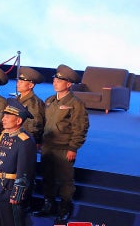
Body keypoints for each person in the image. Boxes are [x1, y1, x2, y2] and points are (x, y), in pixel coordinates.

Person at [35, 64, 89, 225]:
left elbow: (81, 127)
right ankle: (48, 205)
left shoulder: (75, 103)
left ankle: (64, 209)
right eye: (55, 79)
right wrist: (39, 141)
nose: (55, 82)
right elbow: (43, 123)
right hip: (48, 146)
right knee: (48, 178)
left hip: (64, 148)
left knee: (65, 180)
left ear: (69, 84)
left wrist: (73, 147)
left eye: (60, 80)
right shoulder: (50, 101)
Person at [0, 99, 37, 226]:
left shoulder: (25, 140)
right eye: (4, 115)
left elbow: (24, 170)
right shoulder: (5, 135)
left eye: (8, 116)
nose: (3, 119)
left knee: (11, 222)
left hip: (9, 190)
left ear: (18, 121)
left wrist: (17, 193)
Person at [15, 66, 46, 145]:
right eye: (18, 81)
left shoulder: (34, 102)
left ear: (30, 85)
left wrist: (33, 142)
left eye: (21, 82)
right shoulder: (17, 99)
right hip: (15, 137)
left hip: (25, 140)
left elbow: (36, 125)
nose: (18, 84)